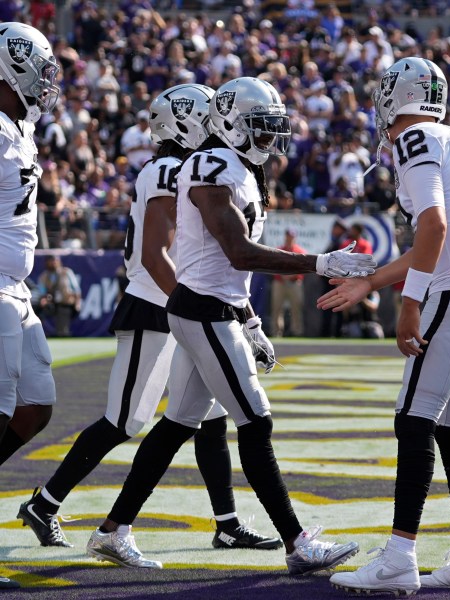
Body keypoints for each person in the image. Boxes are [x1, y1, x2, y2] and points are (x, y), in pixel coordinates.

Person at [84, 76, 375, 574]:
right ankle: (298, 543)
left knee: (177, 425)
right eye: (261, 129)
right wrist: (319, 263)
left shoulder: (235, 165)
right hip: (204, 312)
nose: (269, 140)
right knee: (255, 422)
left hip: (214, 308)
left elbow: (221, 271)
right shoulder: (209, 163)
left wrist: (251, 319)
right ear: (231, 125)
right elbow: (236, 253)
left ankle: (112, 531)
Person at [18, 84, 281, 557]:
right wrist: (191, 303)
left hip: (185, 304)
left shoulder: (198, 168)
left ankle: (226, 522)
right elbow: (154, 254)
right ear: (184, 122)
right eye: (205, 117)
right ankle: (47, 502)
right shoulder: (167, 169)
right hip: (158, 304)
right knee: (127, 419)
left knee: (211, 416)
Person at [317, 57, 450, 594]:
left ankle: (399, 557)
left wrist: (409, 303)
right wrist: (372, 282)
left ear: (391, 97)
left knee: (413, 421)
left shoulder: (414, 140)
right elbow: (435, 235)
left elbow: (434, 226)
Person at [0, 22, 61, 590]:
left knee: (36, 406)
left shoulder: (18, 127)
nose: (47, 83)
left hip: (15, 288)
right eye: (40, 70)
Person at [270, 228, 307, 337]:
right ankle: (276, 332)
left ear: (295, 237)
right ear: (285, 236)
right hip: (279, 282)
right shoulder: (279, 250)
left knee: (296, 308)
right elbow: (272, 266)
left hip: (295, 282)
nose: (289, 238)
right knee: (276, 308)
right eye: (288, 236)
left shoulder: (299, 251)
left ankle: (297, 331)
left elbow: (304, 268)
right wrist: (283, 275)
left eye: (291, 236)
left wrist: (292, 275)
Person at [37, 255, 82, 337]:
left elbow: (76, 289)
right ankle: (40, 333)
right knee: (39, 311)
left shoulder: (66, 272)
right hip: (51, 303)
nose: (53, 263)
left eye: (55, 260)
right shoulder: (44, 276)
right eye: (51, 261)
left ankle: (63, 333)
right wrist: (44, 300)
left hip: (65, 302)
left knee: (63, 316)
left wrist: (77, 303)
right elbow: (41, 292)